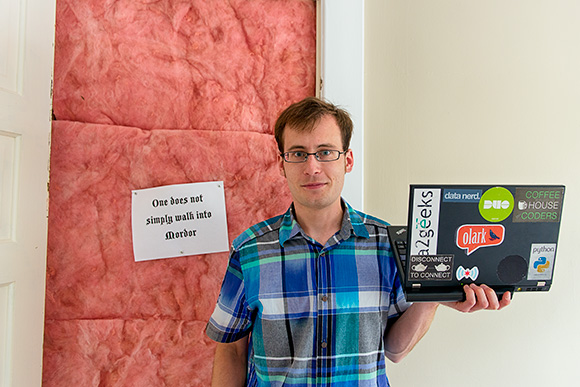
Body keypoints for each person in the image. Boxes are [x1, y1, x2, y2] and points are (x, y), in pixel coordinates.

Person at [205, 97, 511, 386]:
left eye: (326, 152)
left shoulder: (387, 245)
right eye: (298, 153)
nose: (312, 167)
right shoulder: (250, 251)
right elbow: (231, 349)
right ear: (282, 164)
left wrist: (431, 296)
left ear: (347, 160)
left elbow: (396, 349)